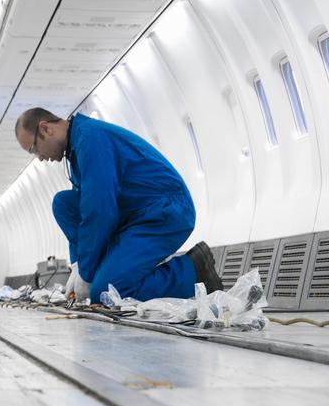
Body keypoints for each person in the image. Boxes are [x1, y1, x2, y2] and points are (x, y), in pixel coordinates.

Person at [16, 107, 221, 304]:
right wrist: (77, 266)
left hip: (164, 211)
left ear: (45, 128)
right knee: (63, 203)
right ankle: (107, 273)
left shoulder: (91, 139)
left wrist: (87, 275)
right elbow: (84, 212)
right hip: (136, 213)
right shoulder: (76, 149)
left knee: (106, 291)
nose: (40, 158)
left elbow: (100, 211)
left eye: (34, 149)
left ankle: (194, 270)